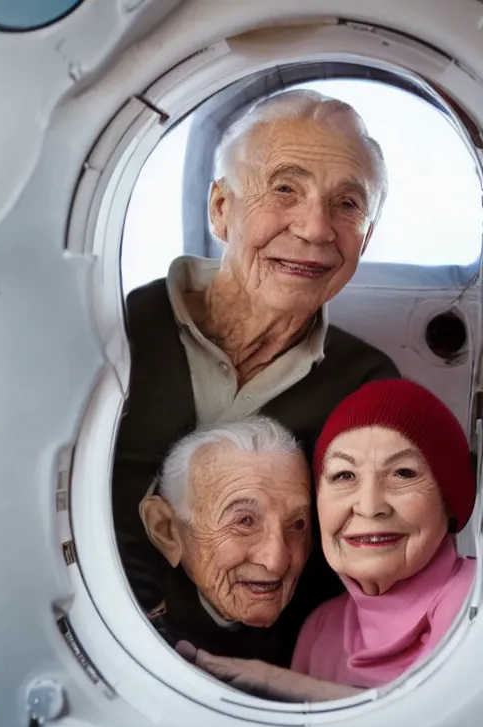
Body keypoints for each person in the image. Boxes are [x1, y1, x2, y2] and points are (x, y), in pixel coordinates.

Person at [113, 88, 400, 647]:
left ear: (366, 234)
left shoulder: (368, 387)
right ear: (222, 209)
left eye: (347, 204)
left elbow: (362, 572)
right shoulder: (118, 331)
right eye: (285, 188)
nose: (316, 229)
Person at [180, 380, 476, 698]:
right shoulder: (322, 626)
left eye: (403, 473)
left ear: (448, 499)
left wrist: (276, 682)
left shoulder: (474, 597)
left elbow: (437, 724)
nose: (369, 506)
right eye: (343, 476)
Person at [140, 416, 312, 664]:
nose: (276, 562)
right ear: (166, 530)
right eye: (245, 521)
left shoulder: (327, 625)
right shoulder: (137, 639)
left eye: (297, 524)